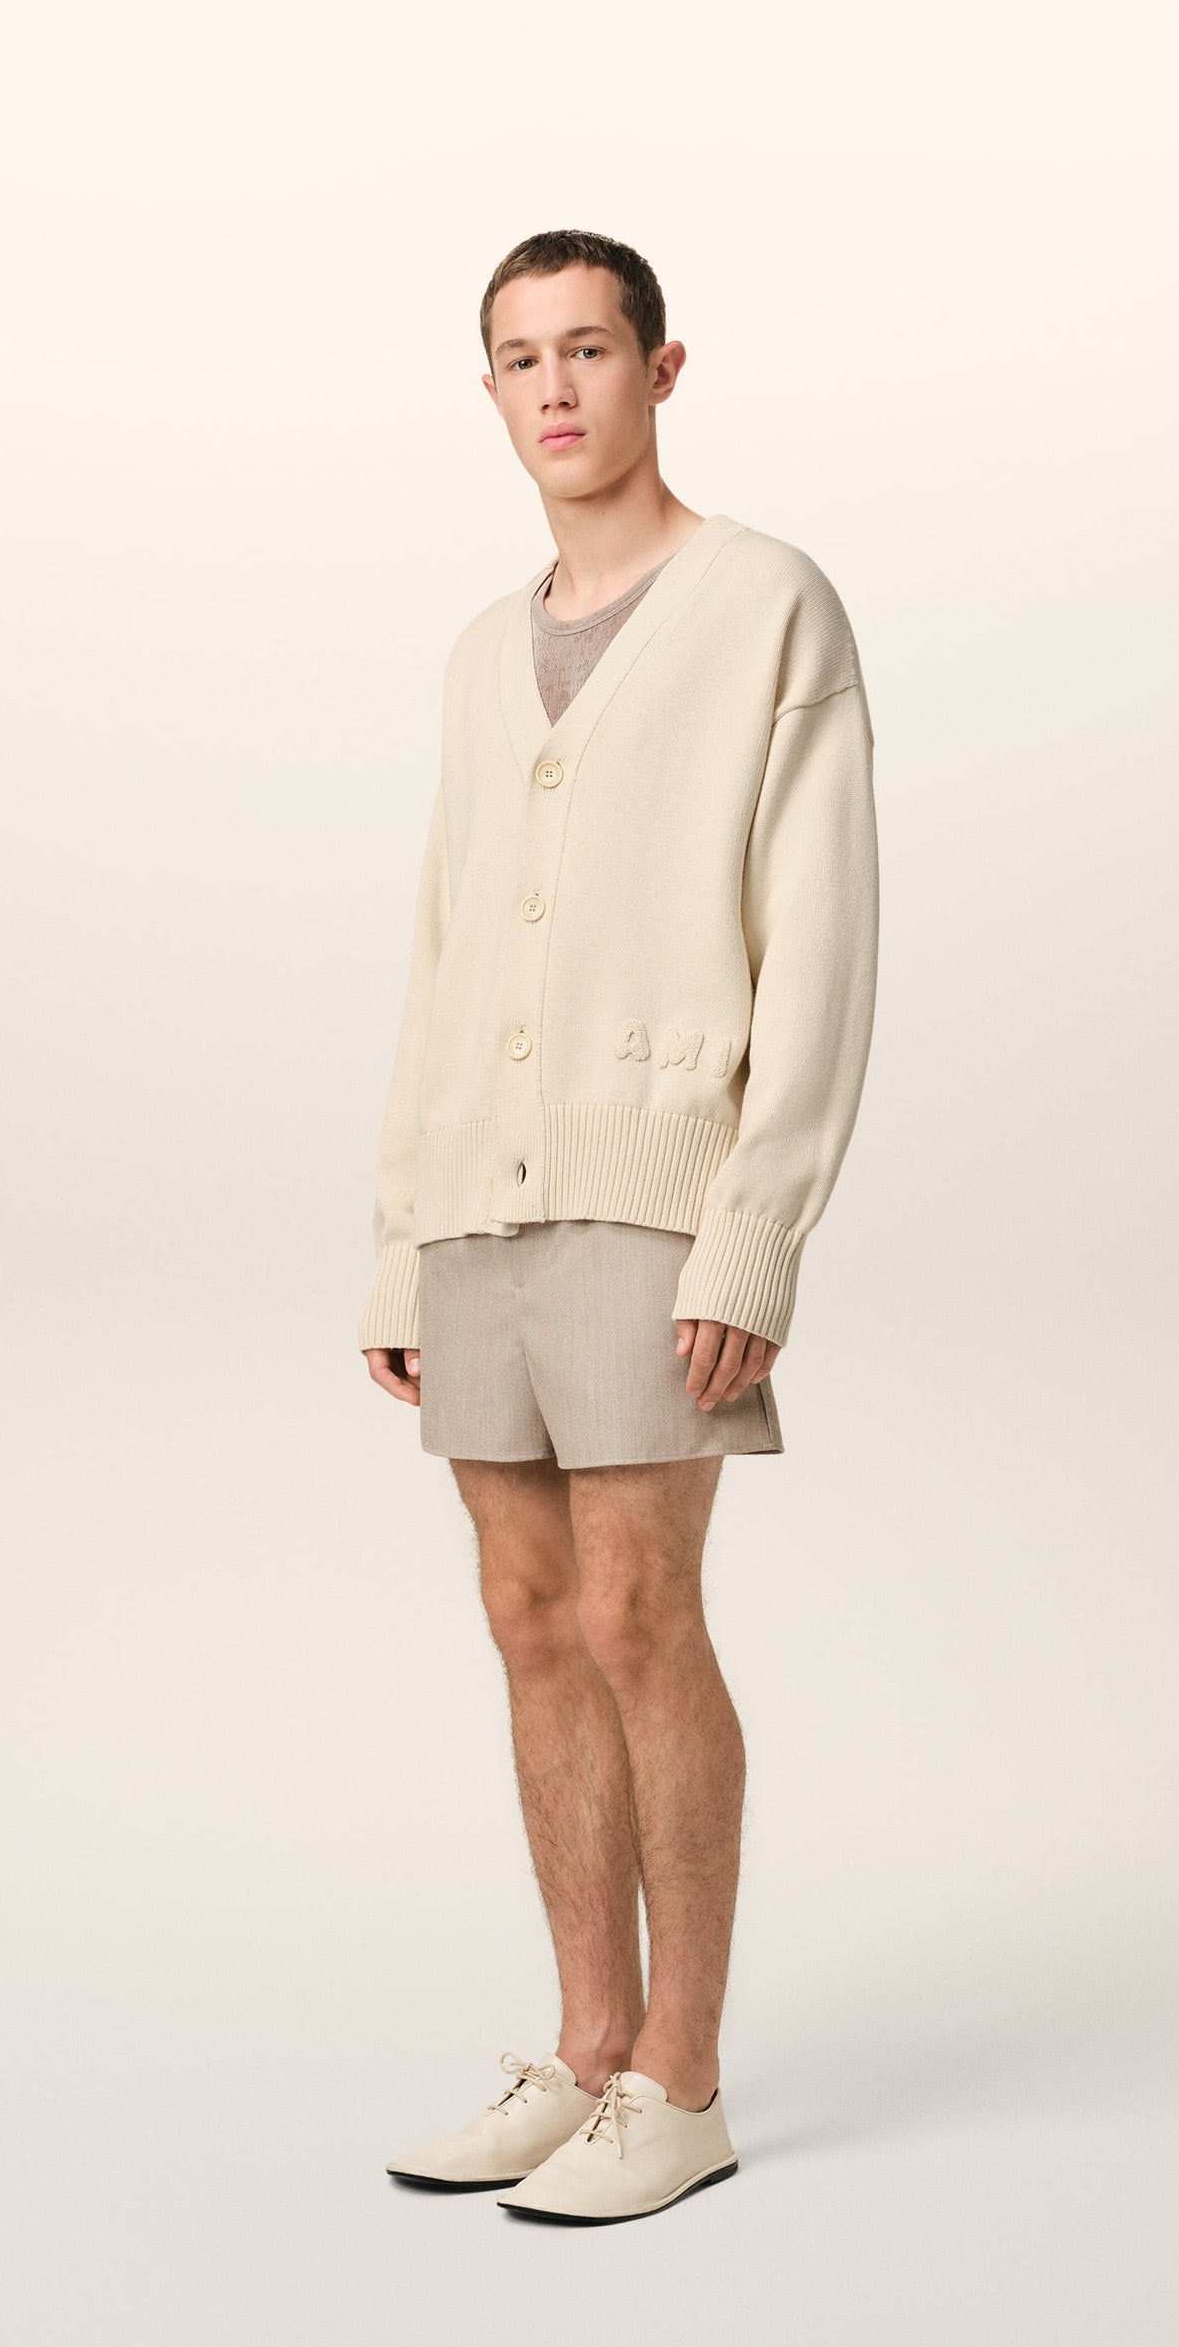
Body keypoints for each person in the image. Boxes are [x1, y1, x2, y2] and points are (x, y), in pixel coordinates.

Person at [357, 228, 880, 2225]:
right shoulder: (478, 652)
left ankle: (685, 2076)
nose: (555, 387)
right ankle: (586, 2050)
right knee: (524, 1611)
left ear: (663, 368)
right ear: (488, 390)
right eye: (520, 357)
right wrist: (398, 1232)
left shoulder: (765, 603)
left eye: (589, 348)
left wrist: (755, 1231)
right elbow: (440, 945)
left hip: (657, 1187)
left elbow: (820, 938)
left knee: (639, 1611)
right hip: (475, 1193)